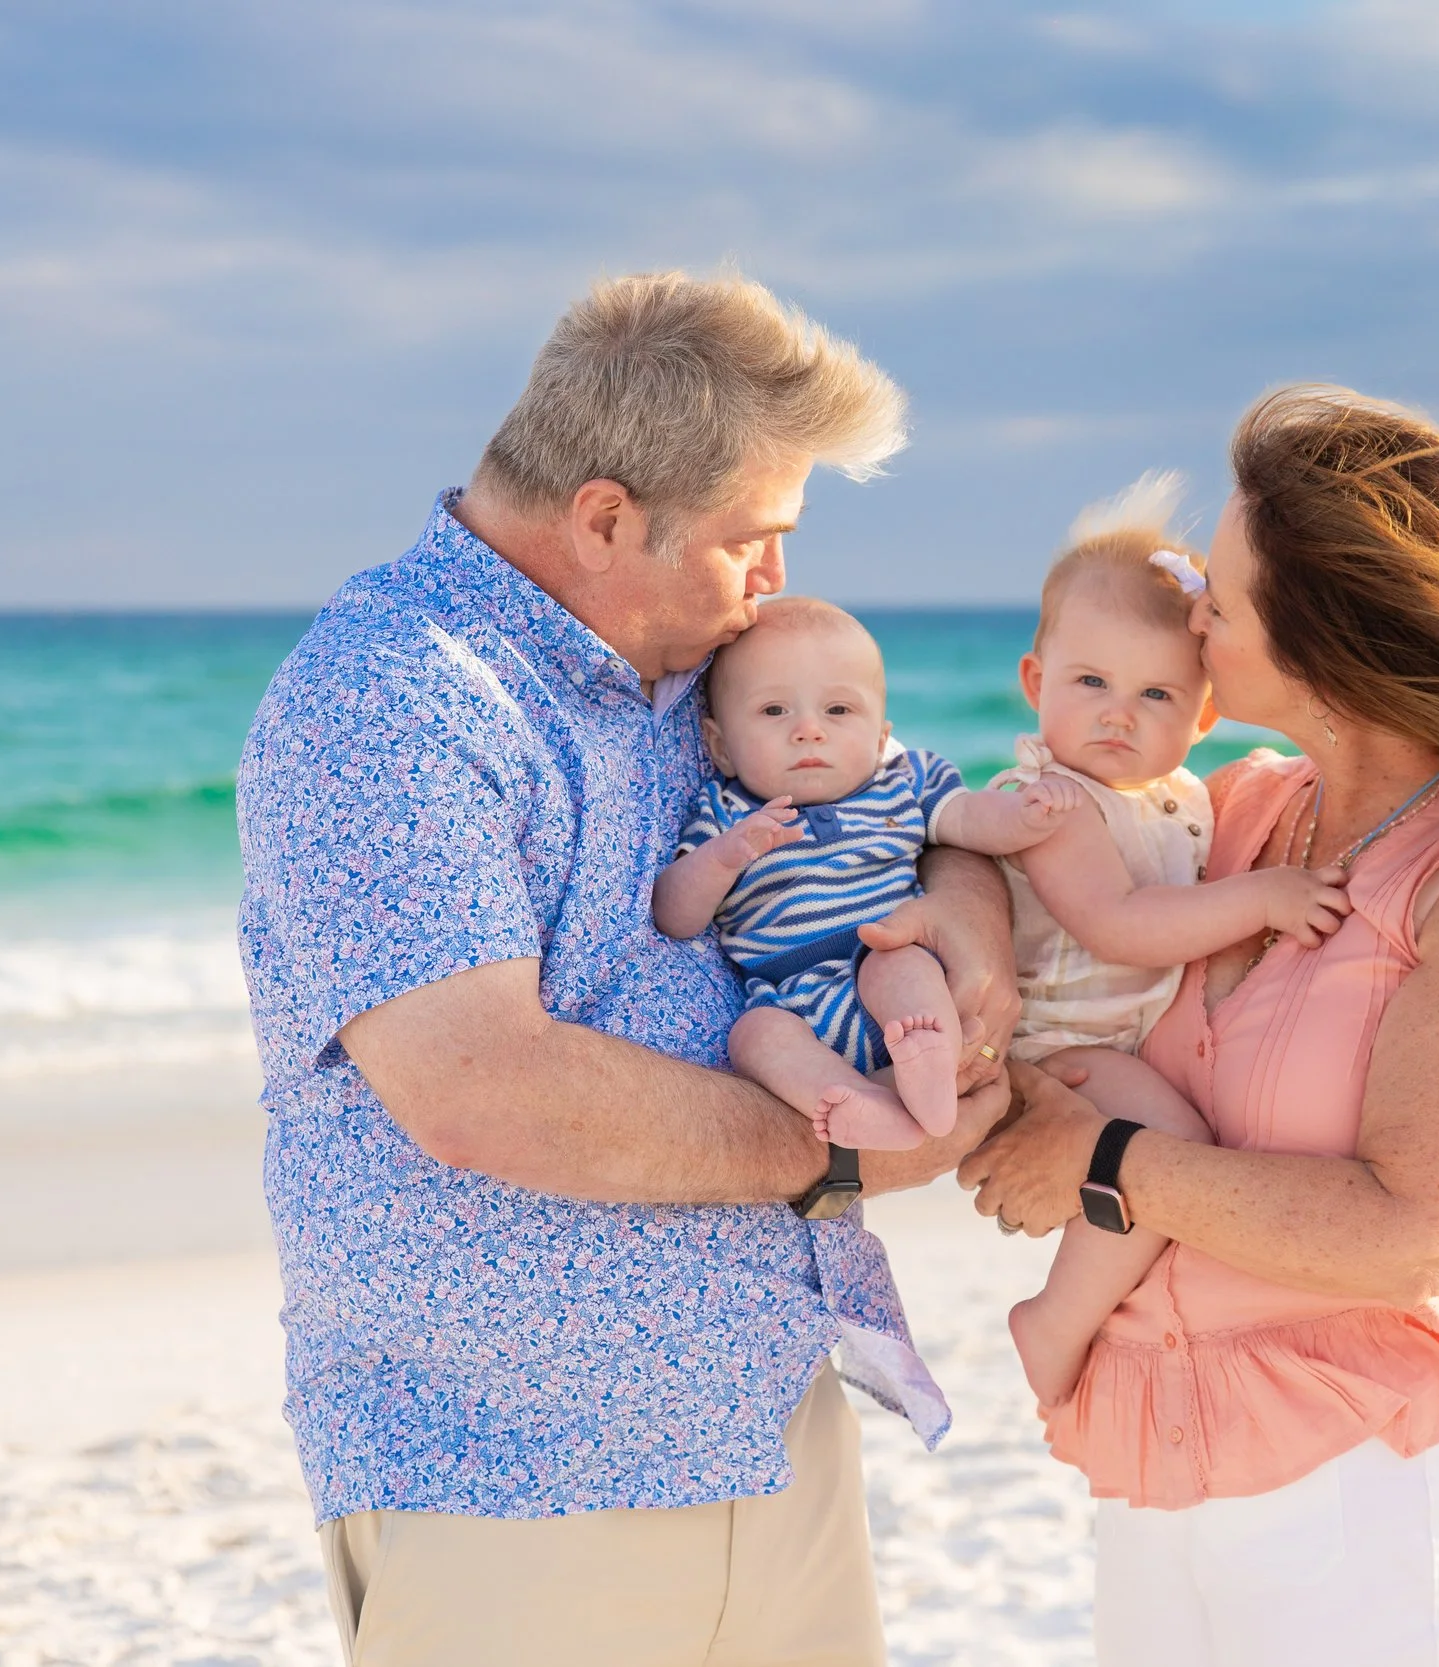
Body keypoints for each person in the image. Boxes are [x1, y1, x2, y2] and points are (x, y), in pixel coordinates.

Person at [236, 271, 1020, 1667]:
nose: (772, 584)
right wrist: (835, 1153)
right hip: (517, 1487)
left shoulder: (691, 667)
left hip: (771, 1430)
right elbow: (485, 1085)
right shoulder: (389, 696)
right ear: (603, 517)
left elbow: (897, 798)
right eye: (748, 543)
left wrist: (964, 912)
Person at [960, 385, 1439, 1667]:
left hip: (1372, 1479)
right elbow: (1024, 839)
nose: (1189, 615)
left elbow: (1419, 1230)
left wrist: (1100, 1161)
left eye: (1219, 599)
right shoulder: (1227, 812)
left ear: (1324, 640)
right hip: (1156, 1449)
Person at [977, 476, 1357, 1406]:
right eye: (1091, 683)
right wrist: (1261, 897)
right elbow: (1119, 924)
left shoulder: (1181, 797)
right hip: (1057, 1045)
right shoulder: (1052, 804)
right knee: (1171, 1143)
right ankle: (1055, 1316)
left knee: (1171, 1144)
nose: (1119, 713)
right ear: (1035, 684)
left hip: (1111, 1036)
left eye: (1156, 693)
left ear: (1202, 716)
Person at [655, 596, 1082, 1151]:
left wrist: (1022, 815)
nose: (809, 730)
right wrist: (722, 858)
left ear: (880, 739)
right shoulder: (725, 813)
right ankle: (857, 1102)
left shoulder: (902, 782)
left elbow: (967, 820)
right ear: (721, 747)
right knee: (752, 1037)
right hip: (791, 999)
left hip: (886, 963)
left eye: (838, 710)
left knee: (896, 961)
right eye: (774, 711)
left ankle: (928, 1058)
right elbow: (675, 916)